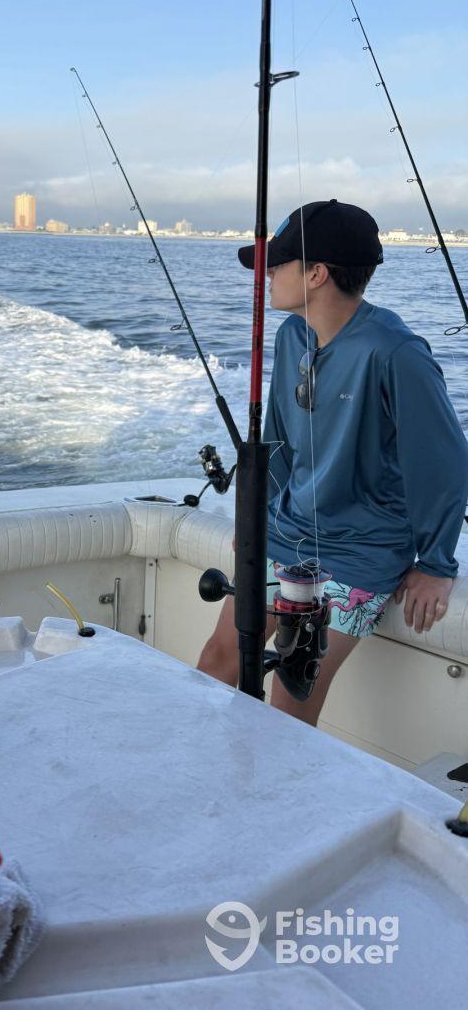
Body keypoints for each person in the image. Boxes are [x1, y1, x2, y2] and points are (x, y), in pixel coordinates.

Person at [198, 199, 468, 726]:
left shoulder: (396, 352)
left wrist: (436, 564)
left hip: (359, 552)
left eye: (279, 262)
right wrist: (256, 519)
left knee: (291, 697)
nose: (269, 273)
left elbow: (445, 462)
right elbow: (276, 439)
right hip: (286, 531)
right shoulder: (289, 335)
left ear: (317, 273)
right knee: (218, 658)